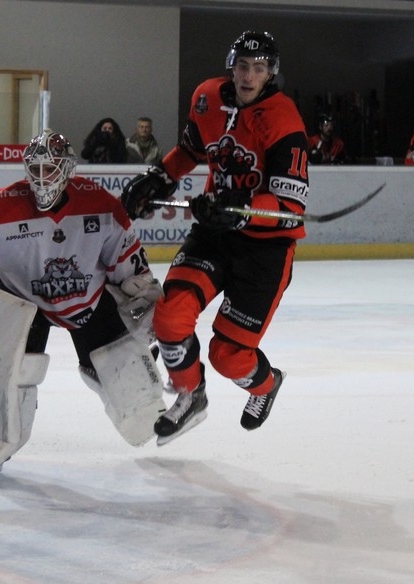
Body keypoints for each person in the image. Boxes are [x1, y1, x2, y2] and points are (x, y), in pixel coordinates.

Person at [121, 30, 309, 445]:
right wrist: (161, 177)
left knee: (228, 357)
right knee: (171, 317)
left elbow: (289, 209)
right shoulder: (207, 97)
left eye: (258, 69)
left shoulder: (283, 120)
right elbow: (191, 147)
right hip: (215, 234)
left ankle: (266, 385)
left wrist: (238, 207)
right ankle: (191, 395)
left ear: (270, 73)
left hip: (266, 250)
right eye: (242, 66)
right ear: (232, 65)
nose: (248, 76)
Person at [0, 129, 166, 479]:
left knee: (135, 394)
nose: (42, 177)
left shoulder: (102, 206)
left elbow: (130, 270)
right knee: (7, 379)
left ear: (67, 169)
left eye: (50, 169)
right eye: (36, 169)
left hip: (86, 300)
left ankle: (140, 396)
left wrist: (147, 313)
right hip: (20, 301)